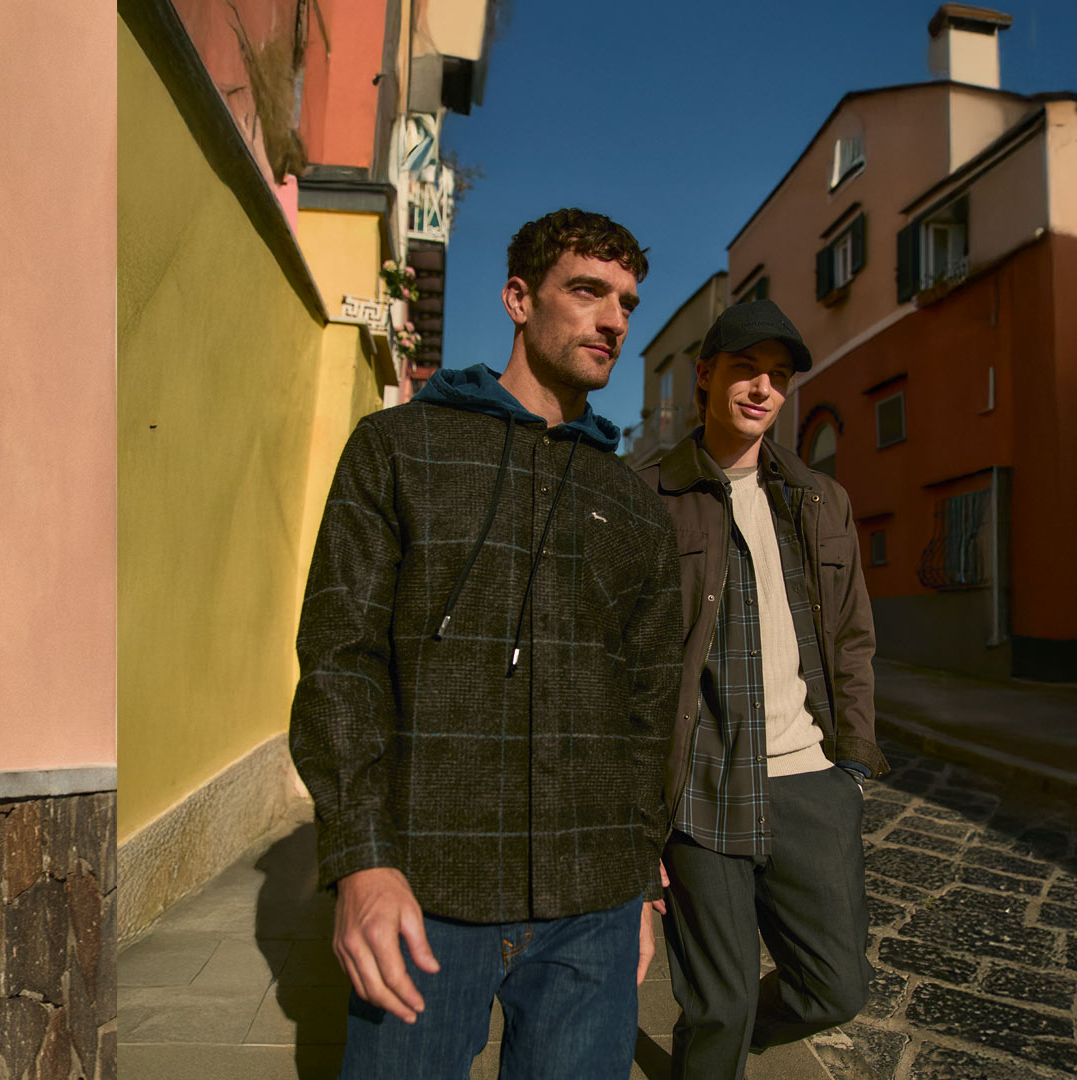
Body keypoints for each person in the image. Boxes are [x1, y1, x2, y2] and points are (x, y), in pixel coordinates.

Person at [290, 208, 685, 1079]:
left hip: (594, 905)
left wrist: (640, 883)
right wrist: (359, 857)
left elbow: (650, 709)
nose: (614, 320)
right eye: (587, 291)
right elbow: (339, 659)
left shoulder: (633, 507)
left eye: (626, 301)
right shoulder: (399, 450)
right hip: (425, 891)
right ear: (517, 298)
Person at [638, 300, 885, 1078]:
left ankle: (713, 1050)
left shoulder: (819, 499)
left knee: (837, 987)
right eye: (746, 369)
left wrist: (851, 766)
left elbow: (851, 639)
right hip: (703, 786)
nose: (762, 388)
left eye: (777, 376)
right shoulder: (648, 494)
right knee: (720, 1003)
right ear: (705, 375)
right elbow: (625, 664)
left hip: (809, 782)